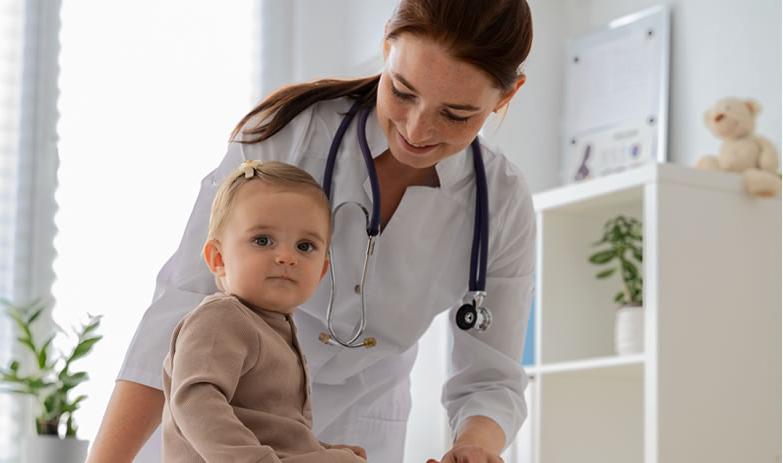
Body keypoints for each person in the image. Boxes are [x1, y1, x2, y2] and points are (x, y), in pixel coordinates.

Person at [87, 0, 535, 462]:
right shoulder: (292, 135)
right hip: (229, 410)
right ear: (386, 47)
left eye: (456, 115)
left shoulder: (500, 203)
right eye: (402, 91)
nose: (417, 129)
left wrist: (474, 448)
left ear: (507, 94)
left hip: (366, 421)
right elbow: (181, 306)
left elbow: (492, 376)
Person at [161, 160, 367, 462]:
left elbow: (272, 427)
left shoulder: (274, 328)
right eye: (262, 240)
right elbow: (195, 400)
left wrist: (318, 449)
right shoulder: (220, 319)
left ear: (322, 271)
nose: (286, 257)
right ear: (218, 258)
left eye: (305, 246)